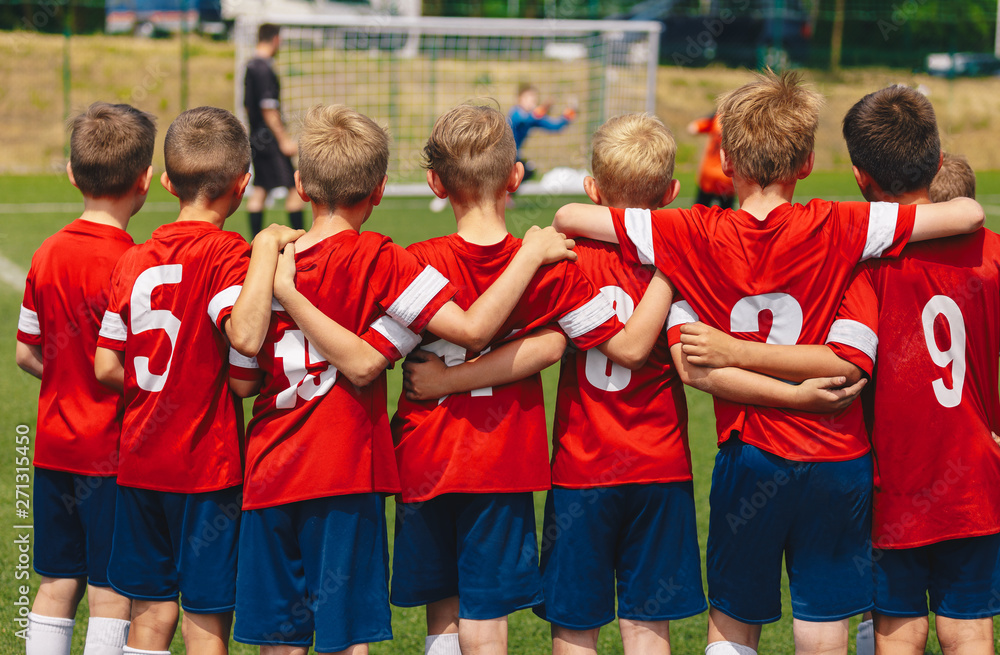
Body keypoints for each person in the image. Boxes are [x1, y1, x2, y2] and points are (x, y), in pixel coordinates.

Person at [551, 70, 985, 655]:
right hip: (837, 457)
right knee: (822, 623)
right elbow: (964, 218)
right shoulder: (842, 223)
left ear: (726, 160)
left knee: (734, 624)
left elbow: (572, 218)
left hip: (750, 453)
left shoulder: (690, 230)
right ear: (807, 162)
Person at [226, 103, 578, 655]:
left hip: (273, 469)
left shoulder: (256, 269)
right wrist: (532, 252)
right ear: (382, 189)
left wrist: (276, 270)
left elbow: (243, 373)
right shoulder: (385, 262)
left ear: (298, 183)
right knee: (352, 635)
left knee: (282, 636)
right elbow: (454, 336)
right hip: (349, 471)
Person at [93, 106, 302, 655]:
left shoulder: (133, 258)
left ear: (166, 182)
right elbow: (246, 344)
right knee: (206, 617)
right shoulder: (230, 255)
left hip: (139, 461)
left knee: (150, 611)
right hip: (206, 469)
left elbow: (106, 365)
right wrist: (262, 249)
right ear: (243, 184)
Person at [16, 102, 155, 655]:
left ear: (73, 175)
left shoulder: (47, 251)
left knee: (55, 583)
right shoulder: (136, 263)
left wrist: (67, 379)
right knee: (109, 591)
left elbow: (27, 353)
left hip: (53, 447)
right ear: (146, 181)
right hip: (114, 454)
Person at [244, 22, 306, 235]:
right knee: (295, 190)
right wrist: (284, 140)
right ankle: (300, 243)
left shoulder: (250, 66)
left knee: (260, 189)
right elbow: (269, 109)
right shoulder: (264, 69)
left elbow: (247, 104)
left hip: (256, 137)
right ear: (276, 39)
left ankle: (253, 243)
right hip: (270, 140)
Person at [688, 113, 735, 209]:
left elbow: (692, 129)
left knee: (699, 213)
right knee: (726, 216)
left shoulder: (716, 119)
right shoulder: (738, 122)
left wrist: (711, 116)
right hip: (727, 176)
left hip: (708, 174)